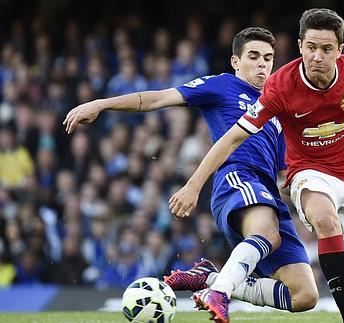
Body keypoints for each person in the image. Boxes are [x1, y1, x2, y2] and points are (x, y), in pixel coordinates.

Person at [168, 9, 344, 323]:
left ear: (339, 50)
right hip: (309, 173)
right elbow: (232, 138)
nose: (317, 57)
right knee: (325, 220)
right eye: (311, 47)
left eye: (326, 49)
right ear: (300, 46)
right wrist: (193, 184)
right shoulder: (281, 86)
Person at [63, 27, 318, 323]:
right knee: (267, 234)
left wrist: (309, 200)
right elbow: (157, 99)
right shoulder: (221, 85)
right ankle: (219, 293)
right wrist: (102, 104)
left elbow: (284, 175)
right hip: (238, 178)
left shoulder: (275, 108)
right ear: (235, 61)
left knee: (304, 295)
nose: (262, 64)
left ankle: (210, 279)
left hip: (268, 194)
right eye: (253, 56)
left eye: (268, 58)